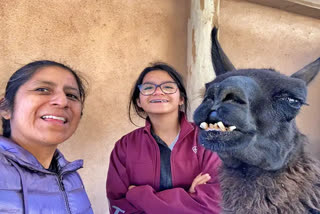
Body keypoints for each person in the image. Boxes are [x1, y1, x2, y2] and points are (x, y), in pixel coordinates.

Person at [106, 63, 221, 214]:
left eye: (168, 87)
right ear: (139, 101)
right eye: (148, 88)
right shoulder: (125, 146)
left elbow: (212, 205)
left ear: (181, 98)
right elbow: (119, 206)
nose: (158, 92)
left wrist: (139, 195)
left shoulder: (207, 139)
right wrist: (189, 195)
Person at [0, 60, 93, 214]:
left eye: (71, 95)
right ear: (6, 108)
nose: (63, 101)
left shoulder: (71, 178)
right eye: (42, 89)